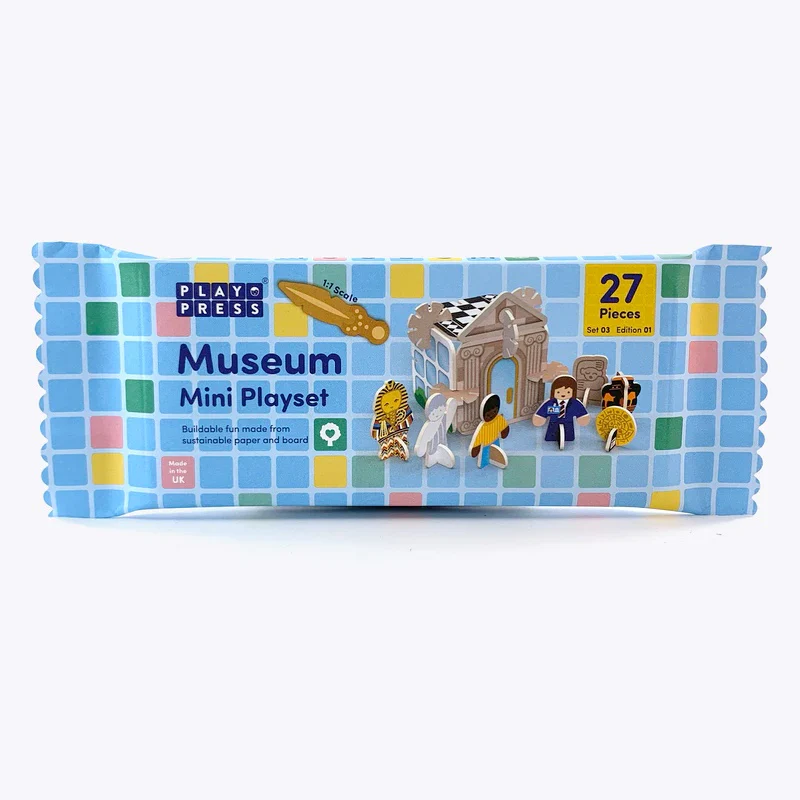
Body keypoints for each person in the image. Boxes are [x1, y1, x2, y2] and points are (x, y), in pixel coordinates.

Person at [533, 374, 589, 449]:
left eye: (568, 392)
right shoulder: (551, 403)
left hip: (568, 424)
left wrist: (582, 418)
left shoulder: (574, 403)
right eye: (558, 392)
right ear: (553, 391)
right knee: (551, 434)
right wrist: (540, 418)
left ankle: (567, 438)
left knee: (568, 435)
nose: (563, 394)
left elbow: (581, 413)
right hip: (553, 424)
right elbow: (543, 412)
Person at [469, 394, 510, 469]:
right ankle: (483, 464)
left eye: (495, 411)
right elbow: (478, 439)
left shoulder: (498, 419)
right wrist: (475, 448)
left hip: (495, 441)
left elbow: (504, 427)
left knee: (496, 453)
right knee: (484, 459)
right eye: (488, 415)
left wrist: (504, 431)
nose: (492, 415)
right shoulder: (482, 427)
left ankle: (496, 461)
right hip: (485, 445)